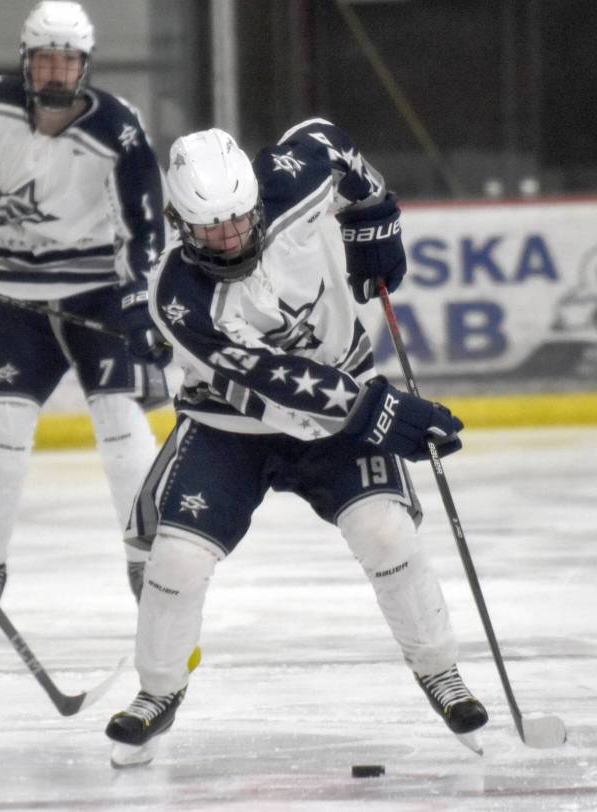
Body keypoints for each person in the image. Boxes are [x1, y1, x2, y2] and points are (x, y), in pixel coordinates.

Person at [104, 124, 489, 768]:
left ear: (257, 197)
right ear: (180, 222)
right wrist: (377, 408)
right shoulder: (179, 295)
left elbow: (328, 139)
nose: (229, 238)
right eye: (209, 229)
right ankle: (158, 691)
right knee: (176, 562)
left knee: (387, 535)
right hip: (232, 427)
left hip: (339, 419)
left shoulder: (295, 178)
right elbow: (271, 377)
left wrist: (375, 215)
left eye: (237, 219)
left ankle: (441, 672)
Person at [0, 1, 170, 637]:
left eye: (66, 59)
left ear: (85, 64)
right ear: (26, 61)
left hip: (96, 289)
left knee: (121, 426)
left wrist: (136, 294)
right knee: (4, 425)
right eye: (44, 58)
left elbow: (146, 225)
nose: (55, 71)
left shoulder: (117, 128)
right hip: (18, 293)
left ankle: (143, 562)